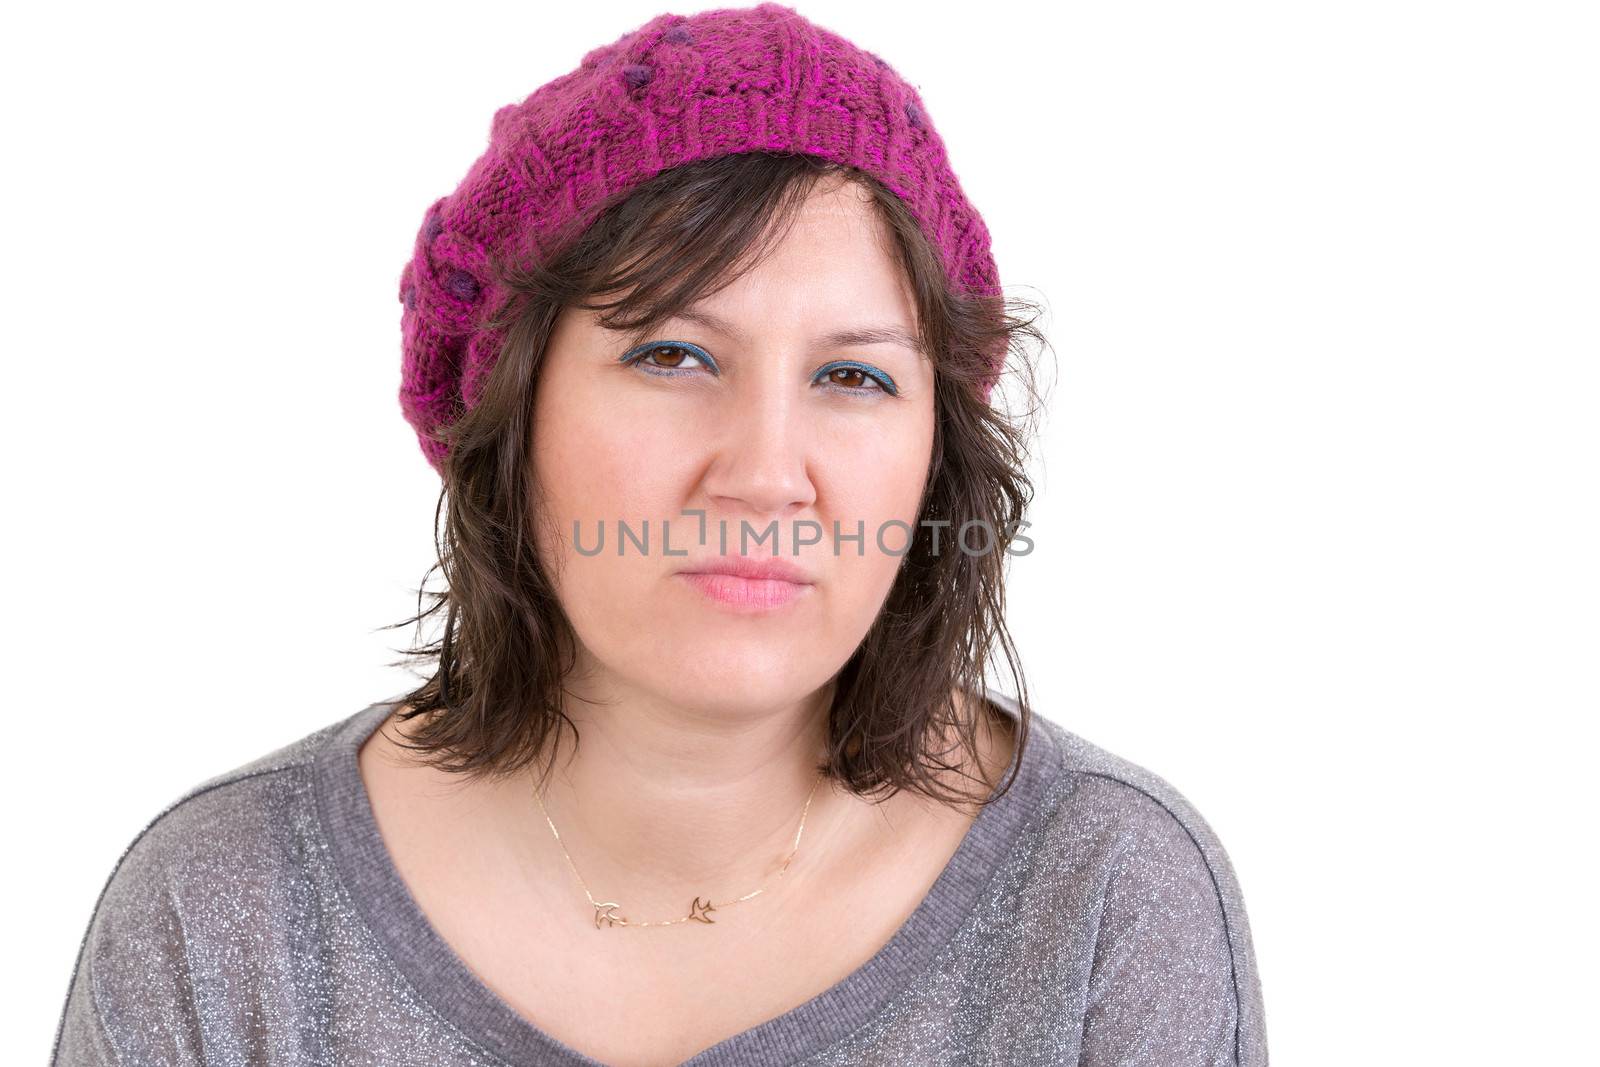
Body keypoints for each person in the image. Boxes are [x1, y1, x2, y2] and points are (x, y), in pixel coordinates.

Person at [50, 4, 1268, 1065]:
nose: (761, 475)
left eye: (852, 377)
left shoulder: (1110, 896)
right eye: (672, 354)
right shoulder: (224, 916)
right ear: (511, 414)